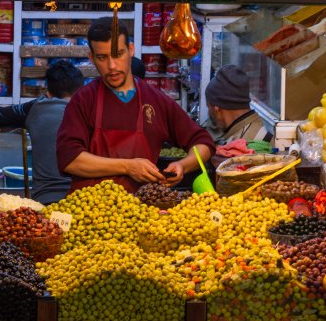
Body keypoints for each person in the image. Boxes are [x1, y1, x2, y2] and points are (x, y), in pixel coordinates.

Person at [57, 18, 214, 193]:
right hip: (88, 212)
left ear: (131, 50)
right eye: (102, 58)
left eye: (118, 54)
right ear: (91, 58)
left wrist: (183, 165)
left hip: (140, 213)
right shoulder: (83, 100)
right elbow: (70, 159)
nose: (112, 66)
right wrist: (127, 166)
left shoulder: (156, 100)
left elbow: (203, 143)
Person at [0, 61, 85, 204]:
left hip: (45, 200)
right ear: (81, 91)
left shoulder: (36, 108)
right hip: (83, 202)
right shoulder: (89, 111)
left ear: (48, 92)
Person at [205, 64, 273, 145]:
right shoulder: (253, 129)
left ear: (217, 109)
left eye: (209, 107)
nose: (209, 113)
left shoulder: (242, 146)